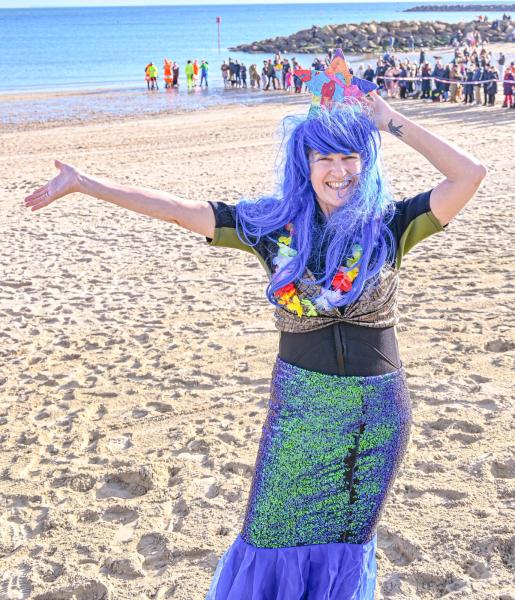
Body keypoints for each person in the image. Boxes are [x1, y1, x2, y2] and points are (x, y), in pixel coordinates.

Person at [24, 86, 486, 598]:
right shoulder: (271, 229)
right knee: (268, 532)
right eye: (325, 158)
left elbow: (469, 175)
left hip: (374, 419)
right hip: (301, 412)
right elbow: (178, 210)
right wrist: (84, 183)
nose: (339, 171)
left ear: (365, 161)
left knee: (348, 542)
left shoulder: (391, 226)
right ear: (305, 165)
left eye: (350, 156)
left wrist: (391, 120)